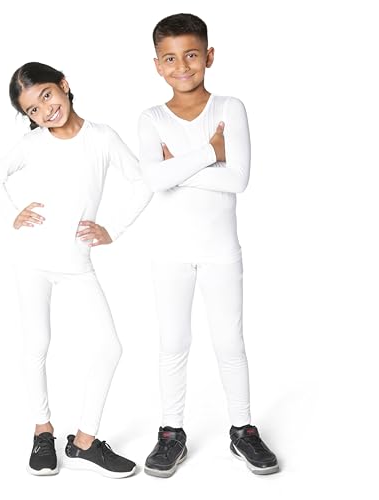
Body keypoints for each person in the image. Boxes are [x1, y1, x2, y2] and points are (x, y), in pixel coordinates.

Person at [0, 62, 152, 478]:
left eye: (46, 96)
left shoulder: (102, 138)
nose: (45, 110)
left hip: (76, 264)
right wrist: (12, 213)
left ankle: (84, 442)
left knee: (109, 347)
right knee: (37, 344)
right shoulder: (33, 144)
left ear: (63, 84)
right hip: (32, 260)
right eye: (33, 110)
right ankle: (42, 432)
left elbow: (142, 181)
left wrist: (112, 229)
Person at [138, 13, 279, 477]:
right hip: (170, 252)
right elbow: (153, 180)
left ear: (209, 56)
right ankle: (171, 432)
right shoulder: (151, 118)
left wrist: (176, 169)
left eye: (192, 55)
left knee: (229, 341)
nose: (182, 66)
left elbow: (237, 180)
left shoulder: (229, 108)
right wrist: (209, 155)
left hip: (220, 250)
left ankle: (242, 429)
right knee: (173, 342)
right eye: (170, 58)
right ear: (157, 65)